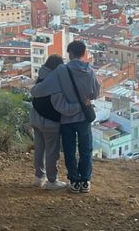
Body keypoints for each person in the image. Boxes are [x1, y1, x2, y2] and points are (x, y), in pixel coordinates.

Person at [31, 40, 99, 194]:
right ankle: (85, 181)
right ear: (84, 53)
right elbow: (95, 93)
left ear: (70, 53)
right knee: (86, 149)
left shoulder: (62, 70)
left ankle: (74, 182)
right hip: (84, 118)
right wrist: (84, 102)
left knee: (69, 150)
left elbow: (39, 90)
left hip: (67, 120)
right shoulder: (90, 71)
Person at [29, 54, 80, 190]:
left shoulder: (41, 77)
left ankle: (39, 177)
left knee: (39, 149)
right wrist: (80, 105)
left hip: (35, 119)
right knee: (52, 152)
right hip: (50, 124)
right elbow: (63, 108)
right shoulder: (55, 84)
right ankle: (52, 181)